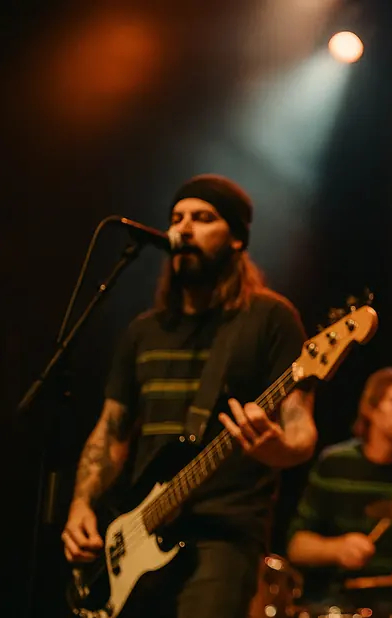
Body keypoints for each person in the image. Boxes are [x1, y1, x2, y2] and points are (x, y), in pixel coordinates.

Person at [61, 174, 318, 618]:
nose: (184, 228)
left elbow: (301, 430)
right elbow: (111, 432)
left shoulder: (269, 318)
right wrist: (82, 505)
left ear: (237, 239)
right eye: (177, 218)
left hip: (224, 536)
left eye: (203, 218)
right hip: (140, 532)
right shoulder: (144, 331)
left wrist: (275, 447)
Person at [286, 367, 392, 618]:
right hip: (337, 596)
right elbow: (296, 545)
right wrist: (337, 549)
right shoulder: (334, 463)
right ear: (371, 409)